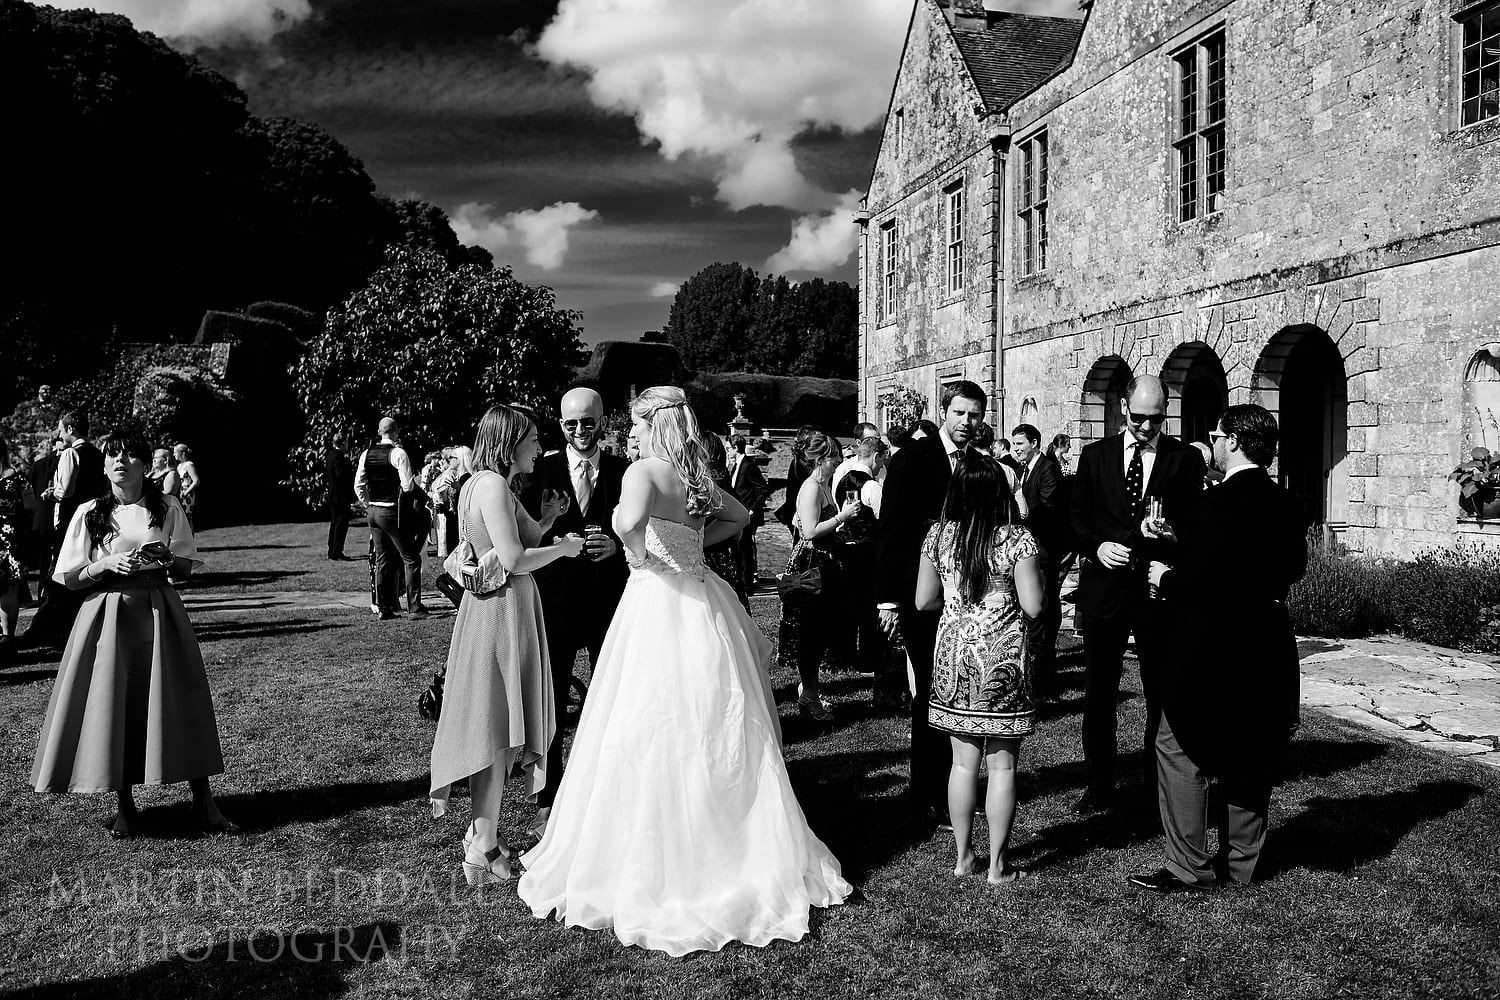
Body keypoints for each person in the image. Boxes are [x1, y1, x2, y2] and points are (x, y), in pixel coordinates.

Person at [518, 386, 850, 955]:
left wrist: (641, 551)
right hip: (703, 600)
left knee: (644, 719)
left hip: (655, 602)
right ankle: (729, 843)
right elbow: (741, 516)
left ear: (652, 423)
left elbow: (624, 525)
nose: (631, 432)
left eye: (637, 423)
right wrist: (693, 544)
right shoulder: (692, 466)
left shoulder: (643, 471)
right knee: (715, 720)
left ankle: (651, 851)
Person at [1131, 404, 1307, 892]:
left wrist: (1165, 574)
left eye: (1217, 433)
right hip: (1265, 642)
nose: (1213, 440)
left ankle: (1188, 866)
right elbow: (1285, 567)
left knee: (1178, 744)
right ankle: (1243, 865)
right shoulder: (1288, 503)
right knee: (1252, 747)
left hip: (1210, 646)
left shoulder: (1214, 503)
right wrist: (1181, 543)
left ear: (1231, 441)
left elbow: (1203, 578)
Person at [30, 428, 233, 839]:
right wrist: (105, 566)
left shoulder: (167, 506)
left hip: (159, 613)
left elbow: (186, 566)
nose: (119, 461)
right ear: (104, 467)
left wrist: (164, 557)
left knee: (179, 699)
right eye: (112, 456)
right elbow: (68, 576)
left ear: (144, 466)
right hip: (107, 617)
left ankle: (205, 801)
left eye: (128, 456)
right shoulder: (89, 512)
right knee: (114, 705)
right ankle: (125, 807)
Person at [429, 405, 581, 883]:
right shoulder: (492, 485)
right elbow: (514, 558)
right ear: (512, 441)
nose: (540, 447)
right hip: (501, 612)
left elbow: (516, 537)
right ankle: (485, 849)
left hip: (498, 609)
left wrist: (549, 519)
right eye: (534, 438)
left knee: (496, 728)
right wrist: (563, 549)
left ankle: (482, 836)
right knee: (497, 732)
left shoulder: (483, 483)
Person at [1067, 374, 1205, 815]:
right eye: (1140, 417)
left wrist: (1170, 535)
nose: (1147, 427)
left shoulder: (1182, 460)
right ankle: (1099, 784)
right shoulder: (1095, 457)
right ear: (1124, 409)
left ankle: (1154, 784)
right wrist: (1097, 546)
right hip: (1104, 591)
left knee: (1158, 692)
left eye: (1157, 418)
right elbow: (1074, 520)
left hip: (1154, 592)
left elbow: (1195, 527)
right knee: (1100, 693)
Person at [917, 451, 1044, 882]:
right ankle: (997, 865)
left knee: (962, 765)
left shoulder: (937, 536)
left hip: (954, 656)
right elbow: (1034, 604)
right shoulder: (1017, 540)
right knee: (1003, 766)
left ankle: (962, 857)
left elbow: (922, 600)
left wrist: (956, 605)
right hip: (1003, 659)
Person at [875, 380, 987, 827]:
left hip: (967, 596)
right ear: (945, 411)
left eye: (975, 415)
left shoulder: (981, 465)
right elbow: (891, 531)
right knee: (929, 692)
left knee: (958, 692)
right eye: (960, 413)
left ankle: (955, 786)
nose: (967, 423)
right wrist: (886, 600)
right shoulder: (911, 460)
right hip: (920, 596)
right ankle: (925, 793)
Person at [518, 388, 629, 836]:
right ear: (560, 424)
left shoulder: (625, 471)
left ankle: (610, 791)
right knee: (553, 705)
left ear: (603, 421)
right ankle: (548, 797)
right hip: (555, 603)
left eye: (588, 422)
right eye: (571, 424)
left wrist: (618, 548)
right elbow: (523, 537)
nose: (580, 431)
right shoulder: (539, 470)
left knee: (612, 700)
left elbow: (646, 532)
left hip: (609, 603)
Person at [779, 430, 861, 721]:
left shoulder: (822, 486)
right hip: (812, 565)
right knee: (810, 633)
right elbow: (811, 531)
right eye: (834, 456)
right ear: (819, 460)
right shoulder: (812, 487)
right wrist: (842, 517)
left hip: (826, 562)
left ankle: (811, 692)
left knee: (820, 632)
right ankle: (809, 697)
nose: (838, 461)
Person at [24, 412, 106, 647]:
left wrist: (52, 493)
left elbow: (66, 491)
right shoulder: (99, 455)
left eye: (61, 429)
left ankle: (48, 628)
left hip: (71, 520)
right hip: (96, 520)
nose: (59, 434)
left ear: (70, 429)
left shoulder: (71, 453)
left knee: (60, 573)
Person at [1011, 423, 1066, 697]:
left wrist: (1021, 518)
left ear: (1034, 442)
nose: (1016, 449)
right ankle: (1037, 669)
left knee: (1044, 608)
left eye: (1020, 444)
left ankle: (1044, 672)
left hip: (1043, 549)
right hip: (1031, 547)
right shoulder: (1024, 469)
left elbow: (1047, 507)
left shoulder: (1047, 469)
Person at [355, 417, 426, 620]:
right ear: (396, 432)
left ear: (379, 432)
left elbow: (358, 485)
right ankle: (415, 607)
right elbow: (408, 486)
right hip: (392, 510)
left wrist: (367, 504)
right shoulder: (398, 453)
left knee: (382, 559)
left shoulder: (365, 454)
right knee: (411, 557)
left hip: (374, 511)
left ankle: (384, 606)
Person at [700, 430, 749, 608]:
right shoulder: (727, 486)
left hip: (707, 561)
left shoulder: (706, 489)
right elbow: (737, 535)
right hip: (727, 560)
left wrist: (698, 541)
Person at [0, 436, 36, 658]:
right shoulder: (18, 478)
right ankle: (7, 636)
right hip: (10, 536)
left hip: (6, 537)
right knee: (9, 587)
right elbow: (31, 505)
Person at [727, 434, 769, 594]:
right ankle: (742, 581)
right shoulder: (738, 465)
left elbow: (762, 488)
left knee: (745, 549)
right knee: (739, 548)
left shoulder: (748, 465)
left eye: (728, 448)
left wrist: (752, 509)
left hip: (746, 515)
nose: (727, 452)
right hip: (739, 514)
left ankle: (747, 584)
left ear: (735, 448)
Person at [324, 433, 356, 560]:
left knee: (334, 523)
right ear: (342, 443)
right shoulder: (339, 458)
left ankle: (332, 549)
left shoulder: (330, 456)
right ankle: (337, 551)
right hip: (340, 496)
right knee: (340, 524)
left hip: (333, 494)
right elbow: (341, 477)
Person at [173, 444, 201, 526]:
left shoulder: (189, 465)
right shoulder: (179, 466)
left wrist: (186, 492)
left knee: (187, 518)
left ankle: (190, 537)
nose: (174, 454)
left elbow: (196, 481)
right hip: (180, 494)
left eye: (175, 452)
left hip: (187, 495)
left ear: (182, 453)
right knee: (181, 518)